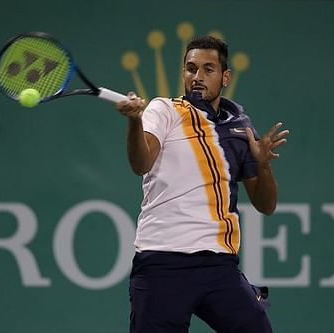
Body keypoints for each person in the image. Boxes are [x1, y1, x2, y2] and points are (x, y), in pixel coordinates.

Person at [115, 35, 289, 333]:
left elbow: (266, 205)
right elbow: (140, 164)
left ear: (225, 77)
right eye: (191, 68)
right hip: (162, 264)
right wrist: (134, 122)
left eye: (208, 69)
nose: (197, 77)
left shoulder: (240, 126)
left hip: (219, 267)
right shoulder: (164, 111)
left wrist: (262, 163)